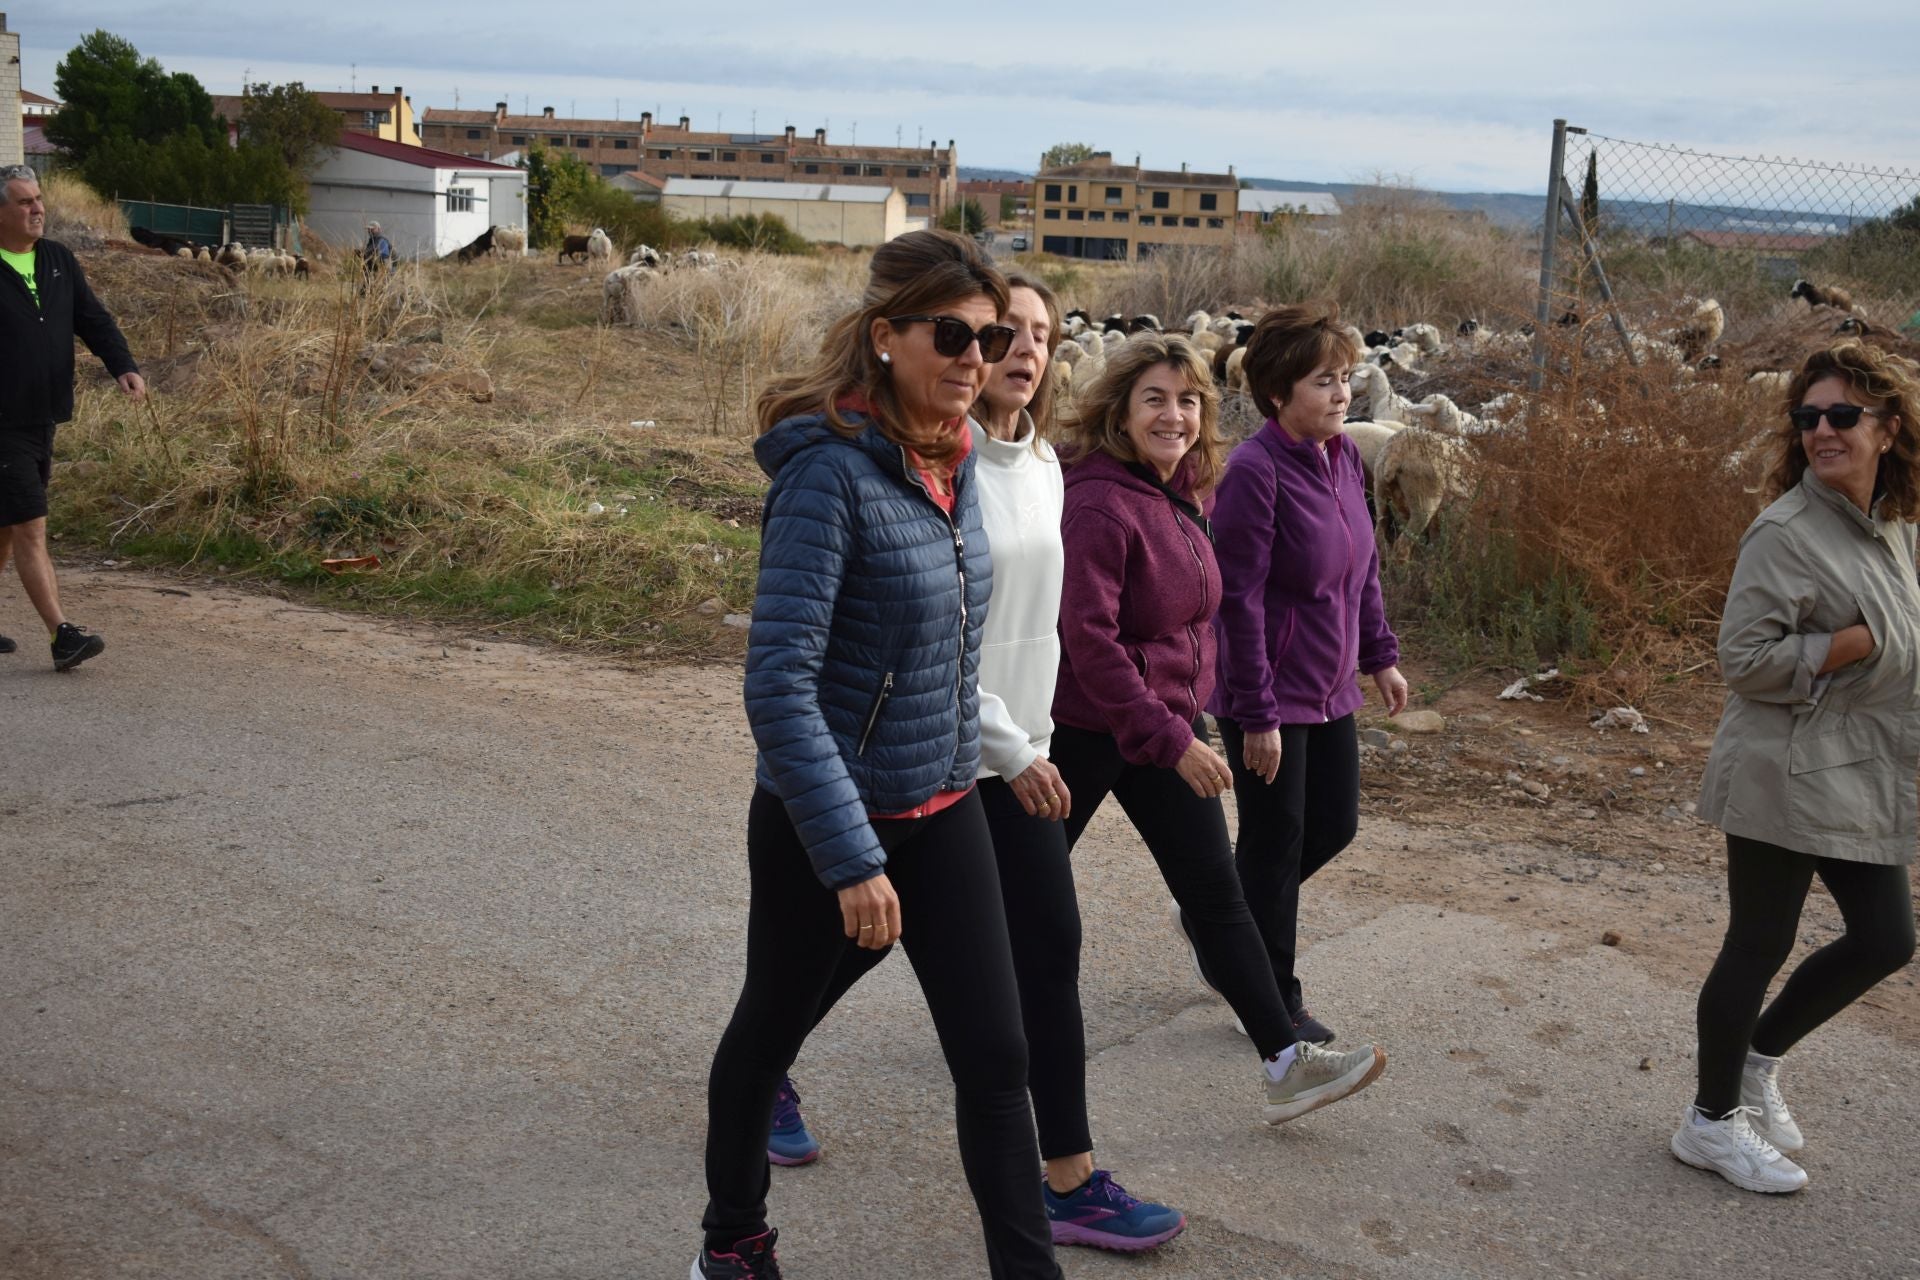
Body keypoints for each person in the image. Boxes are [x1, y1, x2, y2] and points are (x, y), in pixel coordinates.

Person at [769, 275, 1187, 1253]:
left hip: (1020, 749)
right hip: (964, 749)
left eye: (1039, 334)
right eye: (1000, 332)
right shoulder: (948, 464)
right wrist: (1012, 744)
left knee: (1034, 952)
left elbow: (1045, 622)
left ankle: (1062, 1176)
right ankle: (763, 1072)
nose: (1021, 349)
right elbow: (946, 637)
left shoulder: (1042, 461)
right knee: (887, 940)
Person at [696, 230, 1062, 1280]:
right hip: (830, 825)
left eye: (990, 340)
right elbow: (778, 682)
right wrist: (852, 856)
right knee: (767, 1035)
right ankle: (732, 1240)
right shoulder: (827, 479)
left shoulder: (956, 466)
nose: (975, 359)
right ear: (884, 336)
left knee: (997, 1059)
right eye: (951, 334)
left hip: (945, 805)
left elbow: (953, 652)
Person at [1047, 333, 1387, 1127]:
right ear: (1120, 412)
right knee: (997, 895)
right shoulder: (1099, 502)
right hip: (1085, 729)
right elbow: (1089, 642)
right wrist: (1176, 735)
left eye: (1189, 399)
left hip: (1159, 725)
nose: (1175, 415)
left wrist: (1177, 724)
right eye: (1155, 399)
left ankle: (1286, 1061)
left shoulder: (1180, 489)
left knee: (1218, 897)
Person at [1680, 340, 1920, 1194]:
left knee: (1888, 940)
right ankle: (1709, 1124)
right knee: (1759, 941)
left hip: (1857, 762)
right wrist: (1848, 644)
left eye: (1843, 415)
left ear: (1887, 428)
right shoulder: (1786, 531)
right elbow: (1742, 659)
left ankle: (1755, 1061)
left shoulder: (1892, 523)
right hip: (1783, 765)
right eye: (1809, 416)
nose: (1823, 429)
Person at [1200, 303, 1409, 1047]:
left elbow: (1363, 569)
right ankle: (1274, 1001)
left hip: (1329, 686)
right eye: (1325, 380)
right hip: (1270, 692)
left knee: (1333, 825)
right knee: (1275, 840)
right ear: (1279, 390)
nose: (1343, 393)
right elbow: (1238, 601)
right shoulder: (1254, 473)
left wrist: (1378, 654)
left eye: (1347, 378)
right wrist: (1256, 713)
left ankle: (1221, 921)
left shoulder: (1345, 456)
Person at [0, 163, 142, 671]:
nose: (38, 209)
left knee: (8, 524)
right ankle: (63, 637)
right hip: (2, 424)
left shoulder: (57, 259)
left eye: (38, 199)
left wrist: (122, 365)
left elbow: (92, 318)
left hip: (43, 416)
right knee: (30, 526)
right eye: (23, 202)